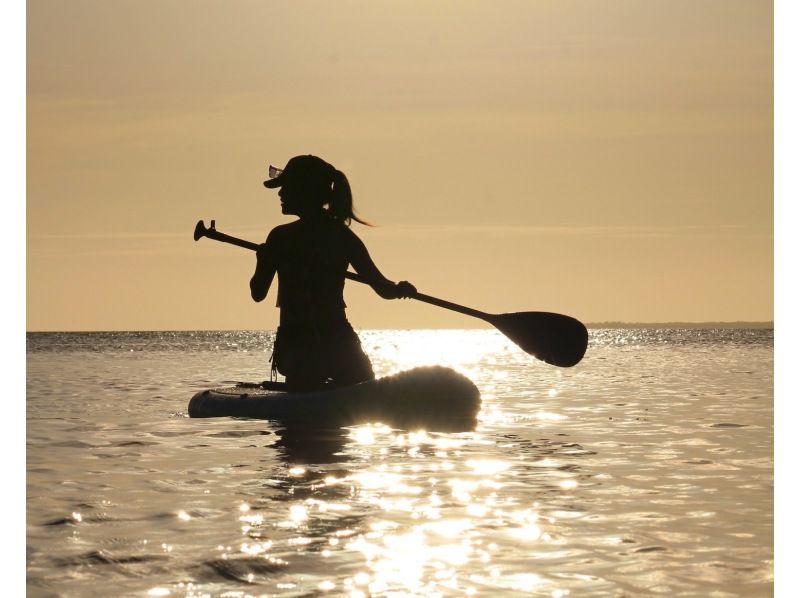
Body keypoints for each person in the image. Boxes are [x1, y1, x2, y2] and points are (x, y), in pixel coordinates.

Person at [250, 154, 416, 392]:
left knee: (313, 389)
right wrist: (397, 289)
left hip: (307, 344)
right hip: (327, 341)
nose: (280, 194)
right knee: (359, 383)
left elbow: (257, 292)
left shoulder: (281, 237)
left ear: (303, 191)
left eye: (286, 188)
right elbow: (383, 288)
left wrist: (400, 289)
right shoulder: (340, 236)